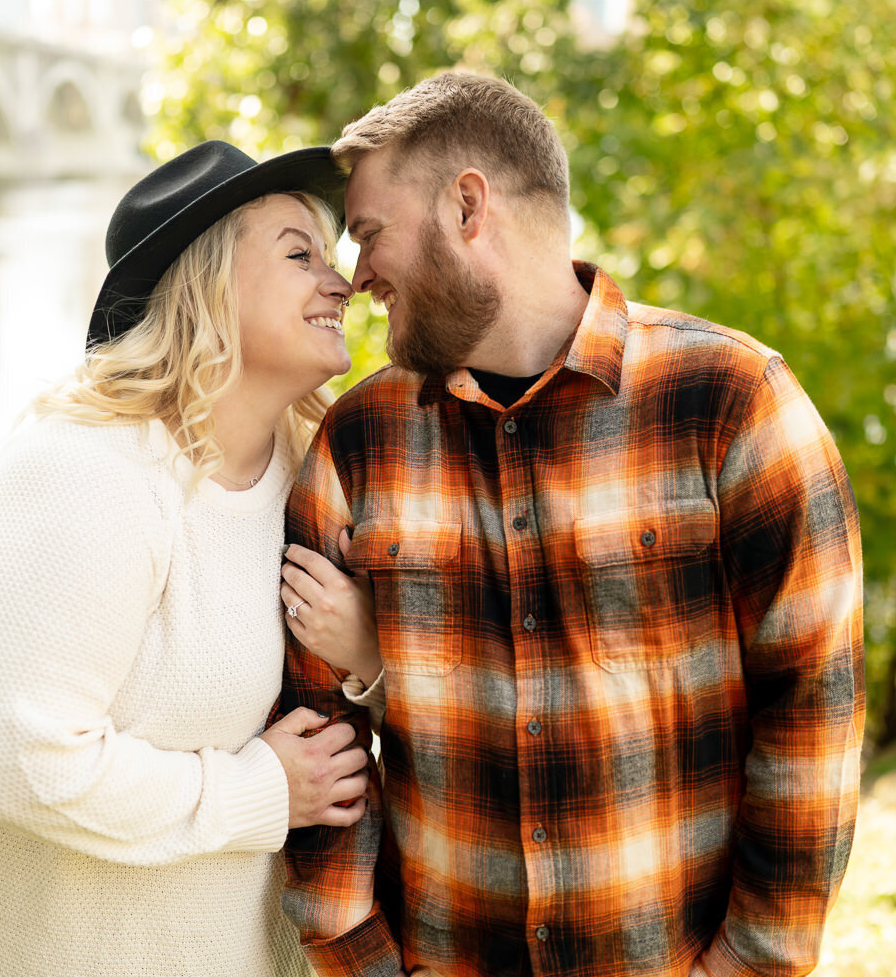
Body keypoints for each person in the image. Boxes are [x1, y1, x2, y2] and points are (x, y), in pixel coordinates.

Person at [277, 72, 866, 977]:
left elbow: (814, 714)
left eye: (369, 233)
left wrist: (753, 965)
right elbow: (321, 733)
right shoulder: (359, 441)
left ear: (467, 206)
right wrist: (358, 957)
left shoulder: (734, 402)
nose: (357, 278)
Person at [0, 140, 376, 977]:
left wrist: (372, 657)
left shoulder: (313, 473)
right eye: (300, 254)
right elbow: (19, 758)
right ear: (208, 282)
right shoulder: (84, 473)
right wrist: (258, 794)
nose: (341, 283)